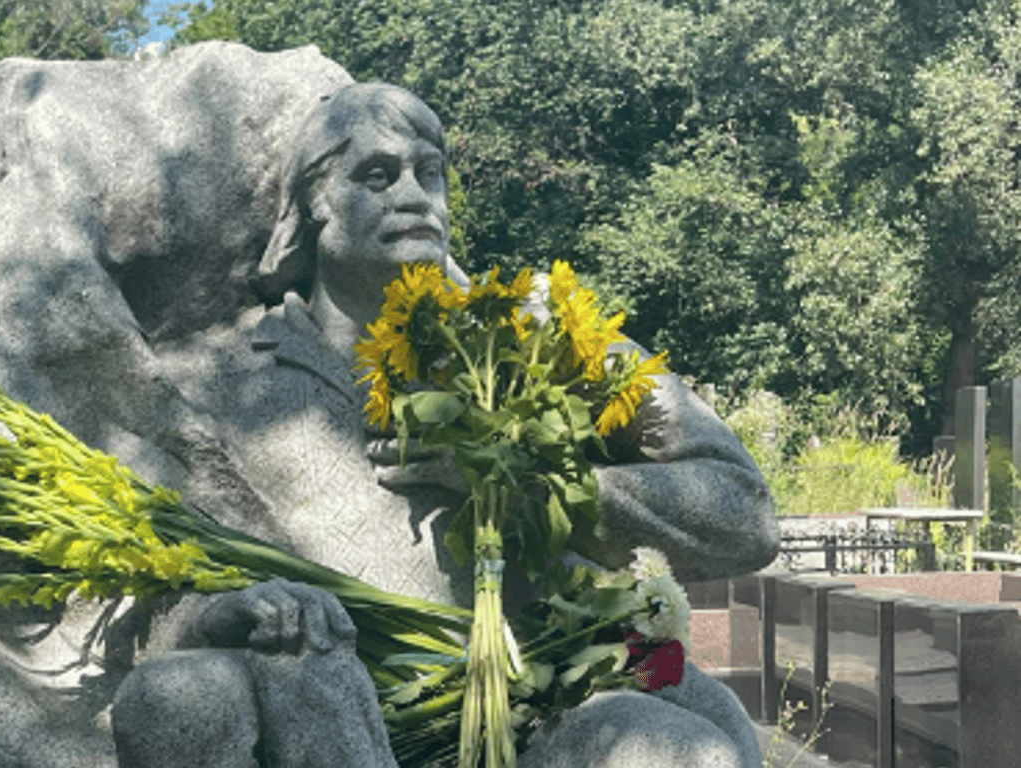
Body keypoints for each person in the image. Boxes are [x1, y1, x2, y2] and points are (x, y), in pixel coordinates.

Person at [111, 83, 777, 768]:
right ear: (311, 203)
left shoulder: (534, 334)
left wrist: (527, 485)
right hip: (327, 712)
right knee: (174, 699)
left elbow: (746, 516)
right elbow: (153, 599)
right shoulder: (222, 380)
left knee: (675, 753)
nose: (414, 195)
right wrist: (227, 612)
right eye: (377, 175)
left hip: (546, 701)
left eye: (430, 172)